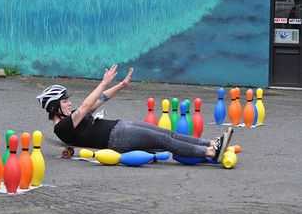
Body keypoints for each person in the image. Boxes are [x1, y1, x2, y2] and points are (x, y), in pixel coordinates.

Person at [37, 64, 233, 162]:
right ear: (55, 107)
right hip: (118, 139)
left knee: (167, 134)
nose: (69, 103)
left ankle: (211, 143)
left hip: (121, 127)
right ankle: (210, 153)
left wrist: (121, 85)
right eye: (65, 101)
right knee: (165, 142)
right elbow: (87, 104)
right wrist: (104, 81)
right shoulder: (62, 127)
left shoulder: (72, 119)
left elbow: (100, 99)